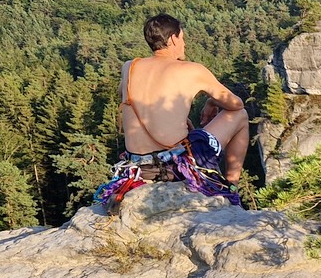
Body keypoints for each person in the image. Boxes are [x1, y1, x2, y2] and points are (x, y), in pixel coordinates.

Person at [93, 14, 250, 213]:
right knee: (241, 116)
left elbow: (134, 100)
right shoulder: (192, 70)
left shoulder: (129, 68)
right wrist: (211, 101)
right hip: (176, 165)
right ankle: (231, 187)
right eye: (182, 38)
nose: (184, 44)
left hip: (138, 168)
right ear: (174, 39)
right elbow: (236, 104)